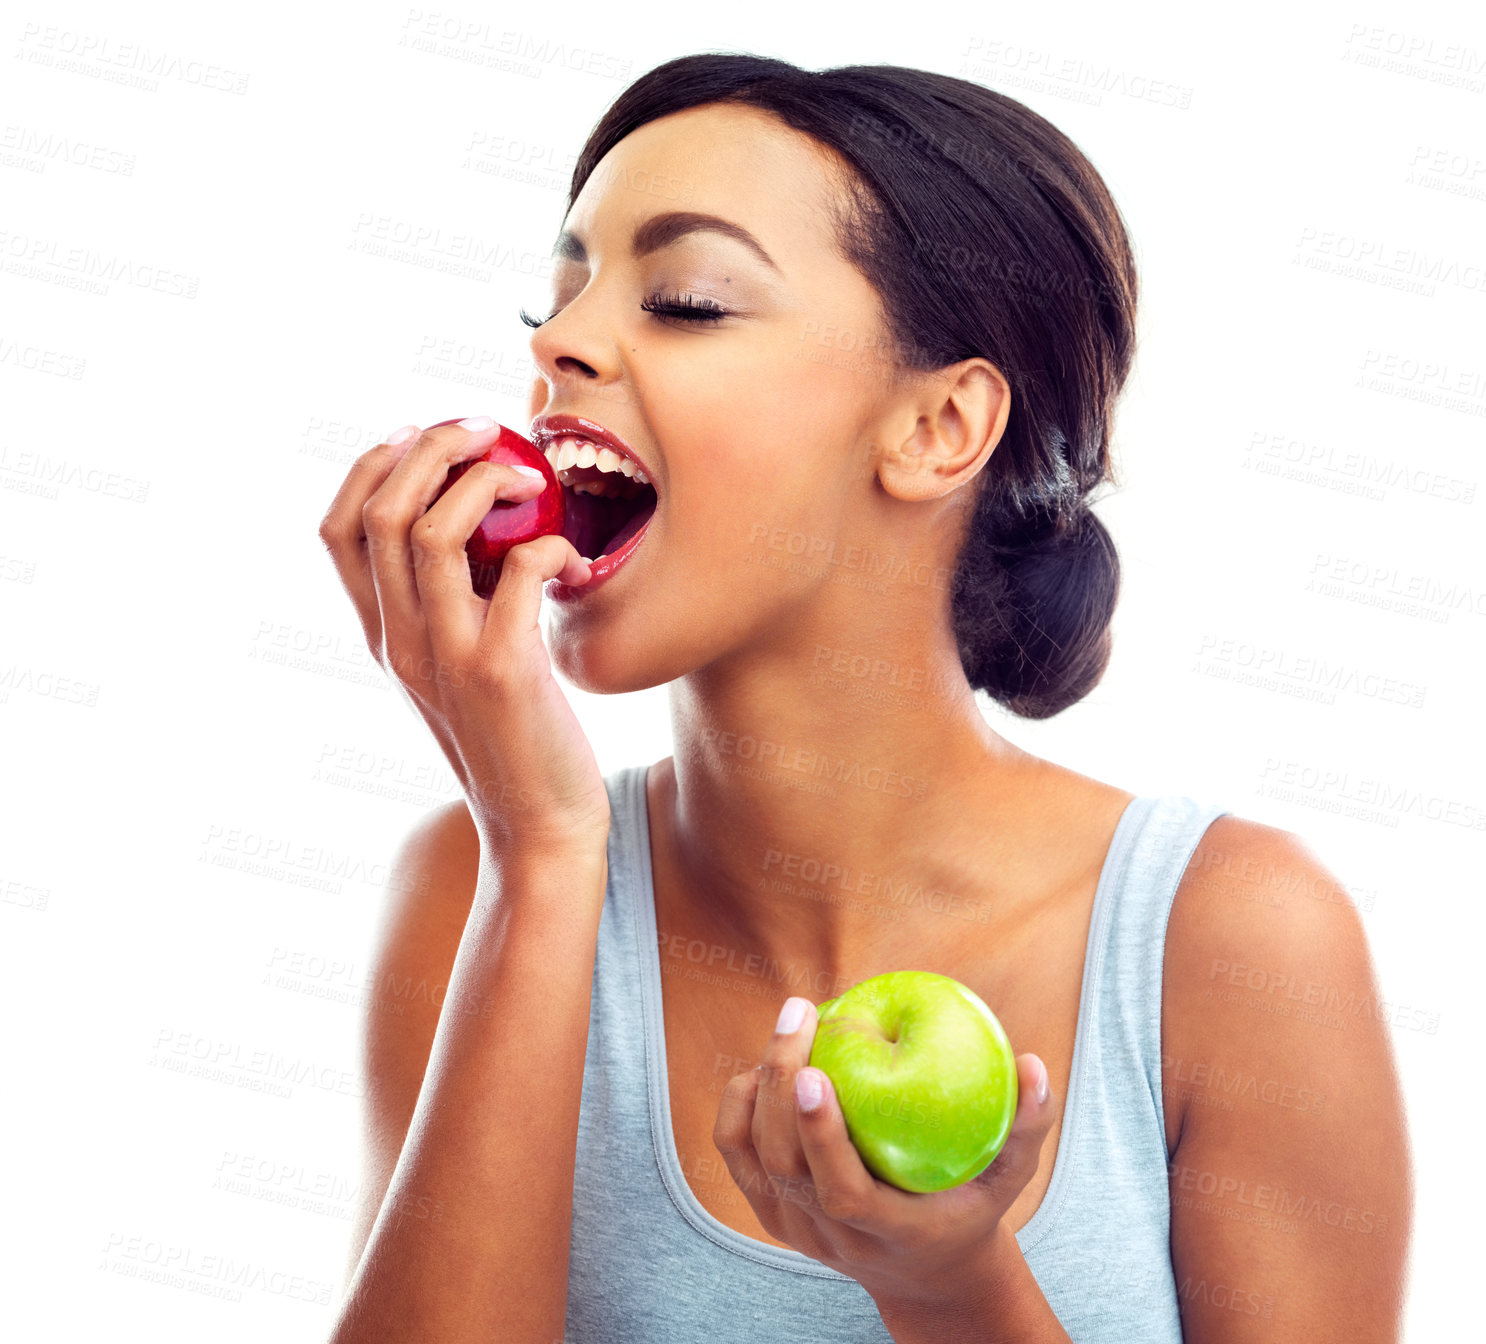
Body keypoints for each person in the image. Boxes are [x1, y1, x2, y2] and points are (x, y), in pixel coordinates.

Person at [317, 53, 1412, 1344]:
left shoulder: (1234, 941)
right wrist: (545, 859)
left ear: (938, 428)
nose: (557, 346)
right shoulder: (477, 891)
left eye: (686, 300)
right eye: (554, 303)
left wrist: (954, 1290)